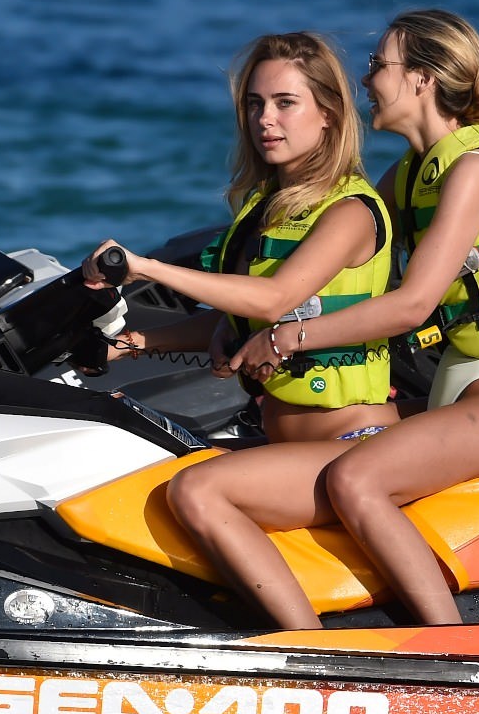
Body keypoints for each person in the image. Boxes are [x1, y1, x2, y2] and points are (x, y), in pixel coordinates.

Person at [230, 9, 479, 625]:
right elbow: (337, 232)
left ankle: (453, 652)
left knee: (356, 480)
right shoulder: (412, 174)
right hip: (456, 389)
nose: (366, 81)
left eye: (377, 66)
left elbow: (413, 303)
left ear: (422, 80)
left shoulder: (477, 168)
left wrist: (289, 337)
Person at [82, 32, 395, 628]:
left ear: (328, 116)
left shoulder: (350, 211)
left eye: (285, 103)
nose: (265, 120)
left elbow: (277, 297)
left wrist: (142, 266)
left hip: (350, 446)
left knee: (199, 491)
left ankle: (310, 655)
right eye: (254, 104)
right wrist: (135, 343)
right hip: (290, 445)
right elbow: (241, 321)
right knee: (141, 470)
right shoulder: (265, 207)